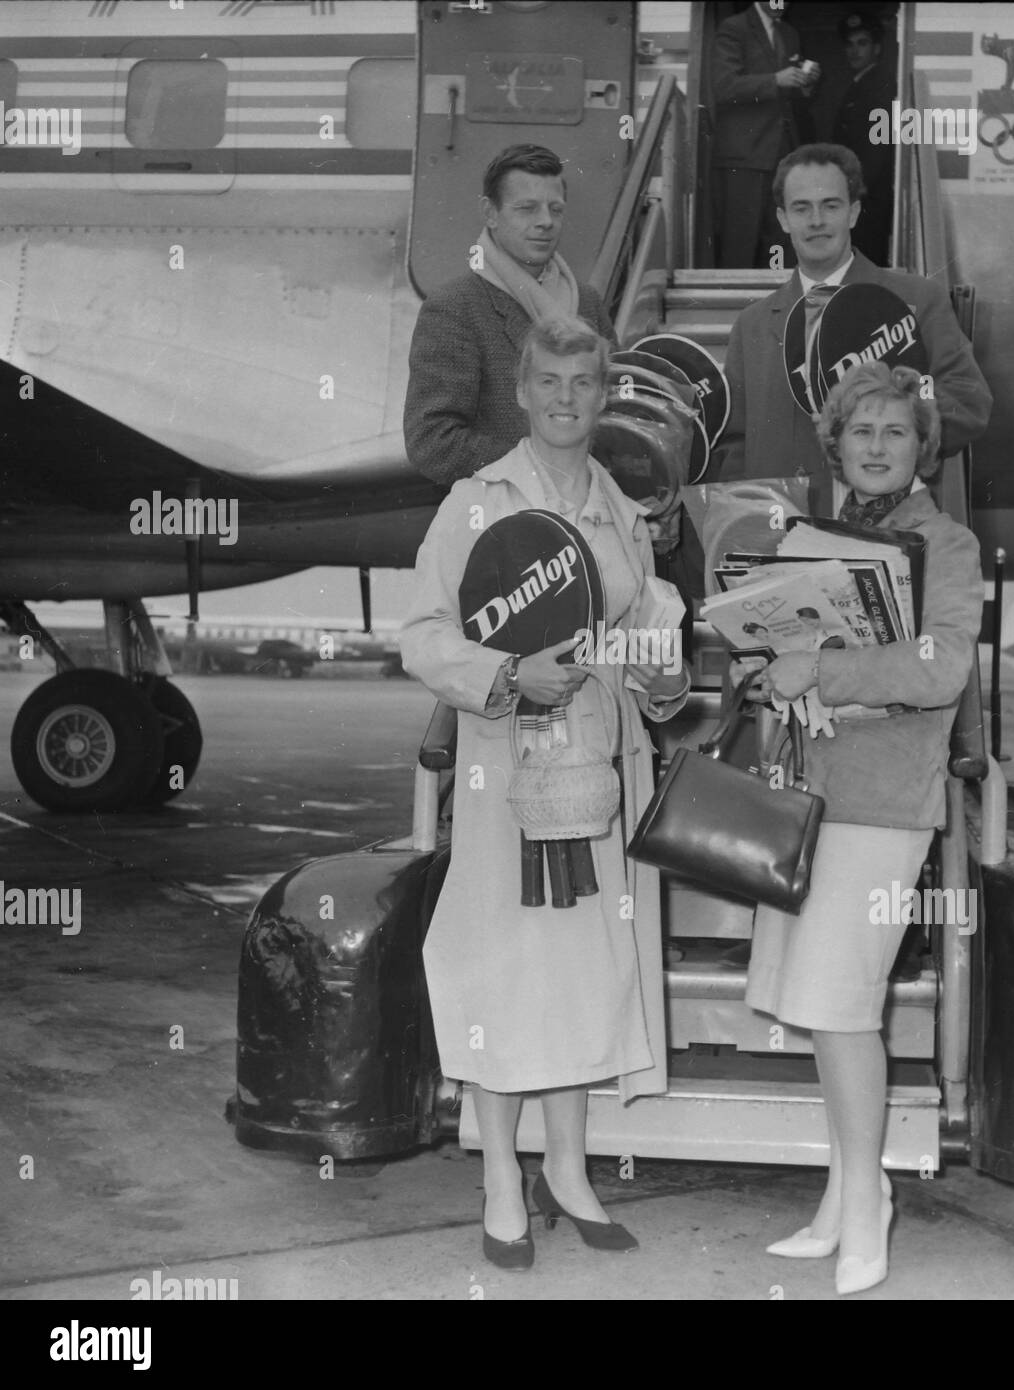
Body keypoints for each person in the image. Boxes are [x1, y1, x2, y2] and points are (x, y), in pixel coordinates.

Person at [401, 318, 689, 1271]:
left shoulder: (622, 513)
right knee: (504, 969)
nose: (566, 397)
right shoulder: (476, 502)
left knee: (578, 968)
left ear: (604, 396)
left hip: (595, 773)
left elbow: (646, 641)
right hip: (503, 772)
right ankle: (499, 1181)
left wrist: (661, 678)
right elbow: (423, 635)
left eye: (583, 382)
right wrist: (505, 676)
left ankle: (568, 1171)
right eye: (549, 381)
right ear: (521, 393)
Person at [739, 358, 983, 1295]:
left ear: (922, 447)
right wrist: (767, 662)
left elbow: (938, 672)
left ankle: (869, 1201)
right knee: (819, 1009)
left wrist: (820, 672)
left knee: (843, 1011)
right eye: (860, 432)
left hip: (884, 805)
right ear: (834, 444)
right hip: (806, 793)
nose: (876, 448)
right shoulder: (813, 535)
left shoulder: (948, 544)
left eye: (895, 433)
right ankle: (844, 1198)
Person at [712, 143, 992, 484]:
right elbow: (734, 443)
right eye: (801, 208)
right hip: (780, 528)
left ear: (854, 212)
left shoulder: (917, 300)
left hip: (879, 527)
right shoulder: (752, 324)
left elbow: (968, 401)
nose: (817, 221)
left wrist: (901, 411)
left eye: (830, 206)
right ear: (783, 219)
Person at [403, 143, 615, 485]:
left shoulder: (588, 303)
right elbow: (432, 442)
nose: (545, 222)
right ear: (490, 212)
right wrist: (545, 468)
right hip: (499, 521)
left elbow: (614, 414)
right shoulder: (455, 308)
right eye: (527, 209)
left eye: (556, 210)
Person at [711, 1, 818, 269]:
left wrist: (806, 84)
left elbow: (791, 98)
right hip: (745, 154)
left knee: (780, 239)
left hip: (783, 154)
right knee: (741, 240)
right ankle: (735, 306)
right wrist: (776, 80)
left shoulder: (789, 34)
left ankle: (778, 302)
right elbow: (723, 87)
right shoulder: (733, 28)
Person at [831, 15, 896, 266]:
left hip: (868, 194)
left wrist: (860, 185)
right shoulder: (860, 85)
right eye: (850, 44)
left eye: (862, 43)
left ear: (877, 48)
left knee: (867, 258)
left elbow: (877, 145)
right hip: (858, 191)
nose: (854, 50)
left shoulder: (879, 85)